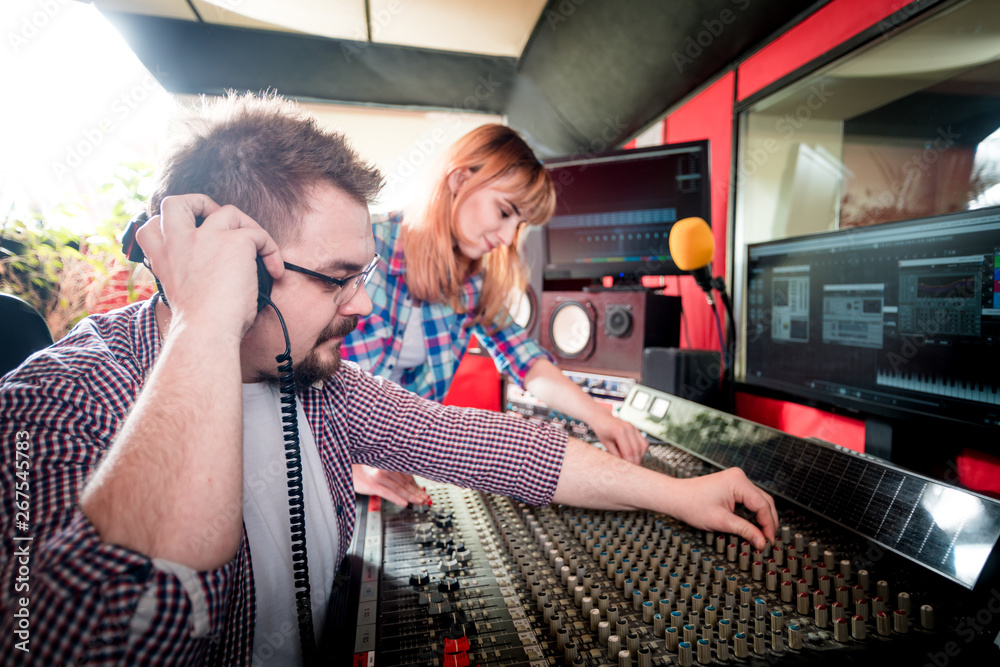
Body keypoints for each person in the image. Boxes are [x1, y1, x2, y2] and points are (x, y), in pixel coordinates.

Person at [0, 92, 777, 666]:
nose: (365, 303)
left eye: (365, 272)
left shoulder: (323, 382)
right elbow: (85, 640)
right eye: (339, 277)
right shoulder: (54, 404)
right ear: (236, 266)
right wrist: (205, 325)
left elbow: (489, 443)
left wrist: (678, 492)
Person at [343, 124, 649, 506]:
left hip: (392, 482)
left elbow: (529, 364)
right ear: (458, 179)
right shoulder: (362, 243)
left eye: (517, 224)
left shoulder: (475, 283)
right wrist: (351, 468)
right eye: (503, 212)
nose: (507, 238)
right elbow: (290, 377)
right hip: (328, 472)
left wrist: (601, 418)